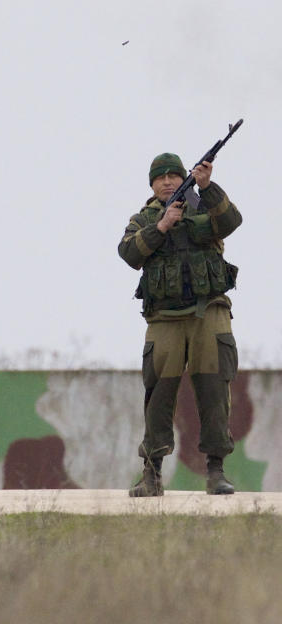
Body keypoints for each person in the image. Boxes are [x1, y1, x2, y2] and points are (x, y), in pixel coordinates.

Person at [118, 153, 242, 497]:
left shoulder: (203, 206)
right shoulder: (143, 218)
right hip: (164, 319)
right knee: (158, 394)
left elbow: (231, 221)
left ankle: (216, 471)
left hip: (209, 312)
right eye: (161, 177)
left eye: (175, 175)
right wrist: (161, 227)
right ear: (152, 184)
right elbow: (128, 253)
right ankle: (152, 473)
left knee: (215, 390)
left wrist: (207, 187)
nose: (169, 181)